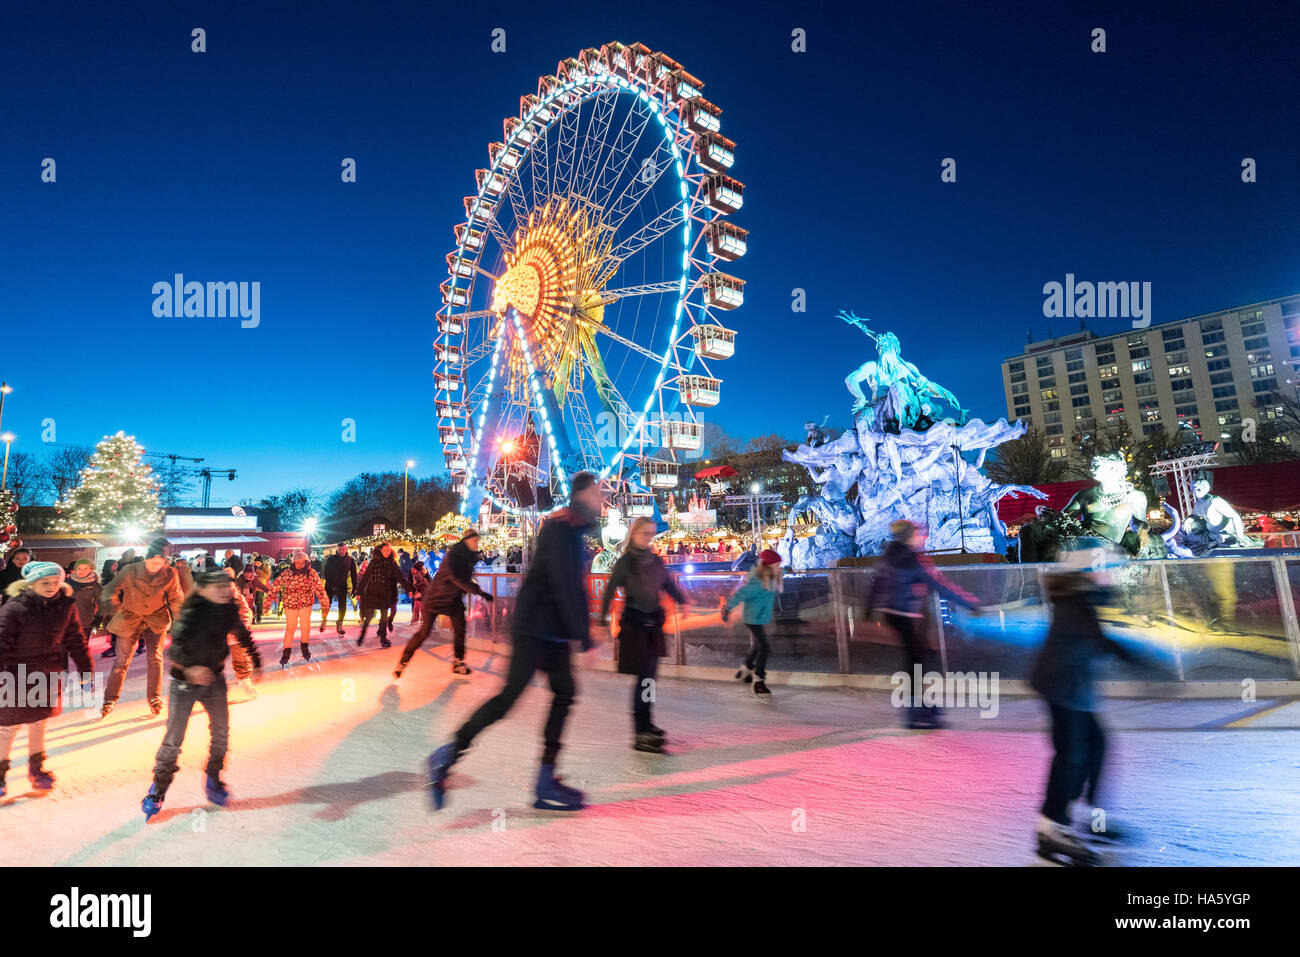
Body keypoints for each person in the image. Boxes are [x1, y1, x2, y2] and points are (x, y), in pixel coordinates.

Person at [428, 473, 602, 811]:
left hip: (551, 632)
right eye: (597, 493)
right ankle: (447, 756)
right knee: (508, 700)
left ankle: (545, 778)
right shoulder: (560, 529)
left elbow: (573, 588)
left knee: (563, 694)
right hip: (535, 630)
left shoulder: (572, 530)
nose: (601, 500)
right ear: (581, 494)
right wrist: (585, 638)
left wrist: (581, 633)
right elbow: (566, 584)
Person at [1030, 539, 1138, 865]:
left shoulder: (1078, 594)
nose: (1110, 574)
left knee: (1097, 747)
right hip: (1062, 687)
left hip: (1073, 686)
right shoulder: (1073, 599)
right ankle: (1050, 830)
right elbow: (1099, 641)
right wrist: (1145, 661)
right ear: (1089, 570)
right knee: (1072, 756)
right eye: (1104, 567)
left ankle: (1095, 820)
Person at [141, 568, 262, 820]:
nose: (224, 590)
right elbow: (175, 651)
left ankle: (213, 778)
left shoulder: (229, 611)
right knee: (174, 737)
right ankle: (159, 787)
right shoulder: (190, 613)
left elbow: (243, 635)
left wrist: (256, 661)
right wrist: (192, 667)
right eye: (217, 586)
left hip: (215, 681)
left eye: (227, 586)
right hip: (184, 683)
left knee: (221, 733)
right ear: (203, 589)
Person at [865, 520, 982, 729]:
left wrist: (868, 608)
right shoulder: (915, 561)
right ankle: (914, 709)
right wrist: (970, 603)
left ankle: (918, 703)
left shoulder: (889, 556)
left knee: (920, 654)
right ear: (910, 537)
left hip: (892, 613)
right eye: (918, 535)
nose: (921, 538)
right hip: (905, 615)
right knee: (916, 657)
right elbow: (941, 586)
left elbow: (877, 583)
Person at [0, 561, 94, 798]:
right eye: (45, 582)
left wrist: (85, 667)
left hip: (47, 673)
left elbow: (75, 638)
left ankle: (36, 768)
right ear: (31, 583)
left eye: (55, 582)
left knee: (38, 723)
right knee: (7, 728)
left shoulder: (66, 606)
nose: (52, 586)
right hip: (14, 673)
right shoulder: (15, 607)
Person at [600, 517, 684, 752]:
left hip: (653, 625)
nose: (648, 537)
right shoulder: (626, 562)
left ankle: (646, 722)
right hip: (635, 626)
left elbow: (666, 583)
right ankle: (640, 730)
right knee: (643, 679)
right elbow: (609, 590)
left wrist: (682, 600)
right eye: (644, 533)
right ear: (634, 534)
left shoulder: (654, 559)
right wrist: (601, 620)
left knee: (649, 679)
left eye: (651, 534)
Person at [99, 537, 185, 719]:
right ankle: (110, 699)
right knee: (121, 661)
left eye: (161, 561)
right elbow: (110, 588)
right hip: (130, 618)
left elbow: (176, 598)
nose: (157, 565)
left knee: (155, 659)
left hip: (156, 619)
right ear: (147, 558)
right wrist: (111, 602)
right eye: (154, 561)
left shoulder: (170, 573)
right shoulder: (130, 570)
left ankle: (154, 697)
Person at [396, 530, 491, 678]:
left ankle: (458, 663)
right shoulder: (454, 555)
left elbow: (463, 579)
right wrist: (479, 591)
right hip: (436, 597)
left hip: (453, 599)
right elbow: (457, 578)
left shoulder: (468, 557)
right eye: (475, 540)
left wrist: (475, 590)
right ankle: (403, 661)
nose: (477, 543)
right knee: (423, 633)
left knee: (460, 630)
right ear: (467, 540)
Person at [722, 549, 783, 701]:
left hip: (760, 617)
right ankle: (759, 681)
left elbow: (781, 572)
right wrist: (727, 608)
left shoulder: (770, 576)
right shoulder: (757, 582)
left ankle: (745, 671)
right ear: (768, 566)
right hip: (752, 618)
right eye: (777, 565)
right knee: (764, 647)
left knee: (757, 646)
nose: (779, 568)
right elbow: (741, 594)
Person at [266, 550, 327, 667]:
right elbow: (275, 586)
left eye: (301, 562)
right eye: (296, 562)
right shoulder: (287, 573)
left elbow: (319, 589)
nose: (299, 564)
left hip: (306, 604)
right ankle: (286, 652)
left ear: (306, 561)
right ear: (293, 562)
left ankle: (305, 648)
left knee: (305, 626)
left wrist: (325, 605)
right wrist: (267, 602)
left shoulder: (311, 573)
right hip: (290, 605)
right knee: (290, 628)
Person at [356, 542, 407, 649]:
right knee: (369, 617)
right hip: (372, 593)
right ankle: (362, 635)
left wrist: (409, 588)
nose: (387, 552)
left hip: (384, 594)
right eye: (385, 550)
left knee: (384, 618)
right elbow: (366, 577)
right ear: (380, 551)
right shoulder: (374, 562)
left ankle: (383, 638)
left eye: (389, 550)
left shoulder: (392, 563)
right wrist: (359, 592)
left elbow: (399, 576)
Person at [321, 543, 358, 635]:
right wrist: (332, 585)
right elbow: (326, 573)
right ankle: (324, 619)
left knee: (342, 606)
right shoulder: (331, 559)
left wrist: (355, 588)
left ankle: (340, 623)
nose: (342, 551)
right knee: (327, 604)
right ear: (337, 550)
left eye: (343, 549)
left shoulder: (350, 560)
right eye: (340, 549)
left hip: (342, 586)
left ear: (346, 549)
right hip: (330, 585)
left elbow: (354, 575)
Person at [66, 559, 100, 641]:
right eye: (79, 568)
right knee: (63, 648)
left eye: (85, 569)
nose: (82, 571)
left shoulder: (95, 586)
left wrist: (98, 618)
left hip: (84, 622)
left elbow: (103, 604)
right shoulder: (67, 583)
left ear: (91, 570)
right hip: (66, 621)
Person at [407, 559, 430, 627]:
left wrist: (426, 574)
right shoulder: (412, 572)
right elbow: (409, 583)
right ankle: (415, 621)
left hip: (423, 594)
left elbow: (429, 584)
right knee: (416, 608)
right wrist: (411, 591)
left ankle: (424, 621)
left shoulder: (424, 572)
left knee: (423, 608)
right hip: (416, 593)